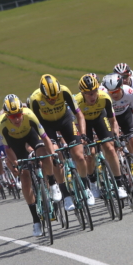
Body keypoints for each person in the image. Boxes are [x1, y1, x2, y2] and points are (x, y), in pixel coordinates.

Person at [28, 74, 92, 207]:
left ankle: (86, 187)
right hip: (47, 126)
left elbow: (78, 114)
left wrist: (83, 134)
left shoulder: (64, 91)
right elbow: (36, 125)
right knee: (55, 155)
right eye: (49, 98)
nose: (52, 100)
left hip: (65, 121)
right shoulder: (35, 99)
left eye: (55, 97)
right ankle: (65, 193)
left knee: (80, 156)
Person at [0, 94, 57, 237]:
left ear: (22, 111)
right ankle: (36, 221)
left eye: (18, 115)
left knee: (45, 155)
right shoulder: (3, 124)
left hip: (31, 136)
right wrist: (15, 163)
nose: (17, 119)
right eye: (12, 117)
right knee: (25, 179)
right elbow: (8, 150)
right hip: (15, 144)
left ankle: (52, 183)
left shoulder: (30, 115)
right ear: (7, 116)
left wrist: (52, 154)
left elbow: (45, 138)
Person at [75, 74, 128, 203]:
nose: (92, 96)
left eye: (94, 92)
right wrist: (81, 138)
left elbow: (113, 120)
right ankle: (92, 182)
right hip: (84, 123)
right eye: (88, 94)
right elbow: (72, 123)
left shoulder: (104, 97)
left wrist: (115, 135)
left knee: (110, 148)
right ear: (82, 93)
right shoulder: (77, 101)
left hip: (100, 119)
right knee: (90, 153)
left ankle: (119, 184)